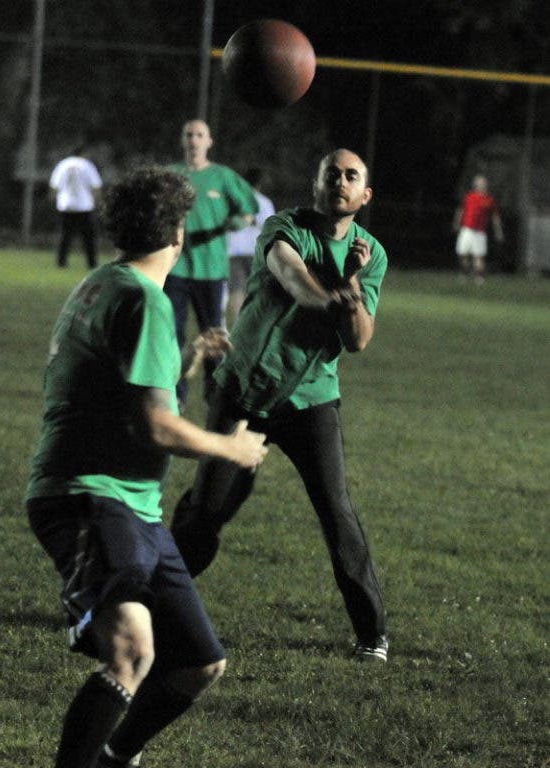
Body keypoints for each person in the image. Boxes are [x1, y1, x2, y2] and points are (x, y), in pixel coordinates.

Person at [25, 165, 268, 768]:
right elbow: (154, 425)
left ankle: (113, 759)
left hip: (130, 505)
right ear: (179, 233)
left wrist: (184, 360)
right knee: (132, 652)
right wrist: (232, 449)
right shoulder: (145, 301)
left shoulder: (104, 282)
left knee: (198, 663)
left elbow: (120, 388)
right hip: (91, 495)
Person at [171, 148, 390, 662]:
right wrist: (333, 292)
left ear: (365, 194)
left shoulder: (371, 254)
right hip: (244, 390)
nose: (340, 181)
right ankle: (152, 599)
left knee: (336, 511)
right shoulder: (284, 227)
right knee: (208, 512)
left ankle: (372, 634)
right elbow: (293, 280)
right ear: (316, 184)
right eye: (331, 173)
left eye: (351, 176)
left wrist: (351, 282)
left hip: (311, 399)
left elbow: (358, 340)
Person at [166, 119, 259, 406]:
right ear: (182, 140)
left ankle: (214, 393)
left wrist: (233, 222)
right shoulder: (171, 175)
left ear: (209, 141)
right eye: (189, 134)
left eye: (199, 135)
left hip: (211, 269)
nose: (194, 140)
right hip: (175, 267)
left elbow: (249, 210)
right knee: (173, 334)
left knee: (213, 335)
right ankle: (176, 394)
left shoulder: (222, 176)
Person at [225, 167, 276, 326]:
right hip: (256, 252)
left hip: (233, 251)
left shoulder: (233, 200)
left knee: (236, 291)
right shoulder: (264, 202)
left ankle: (239, 325)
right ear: (260, 184)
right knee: (257, 291)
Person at [49, 145, 103, 269]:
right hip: (84, 205)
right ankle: (92, 263)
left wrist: (53, 201)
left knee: (65, 236)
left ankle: (61, 262)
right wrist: (97, 201)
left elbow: (54, 186)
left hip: (66, 205)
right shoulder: (87, 165)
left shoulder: (63, 165)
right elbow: (96, 186)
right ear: (83, 153)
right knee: (88, 237)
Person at [453, 173, 504, 284]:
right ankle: (464, 273)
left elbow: (495, 217)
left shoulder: (489, 199)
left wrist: (498, 231)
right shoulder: (469, 197)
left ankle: (479, 277)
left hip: (480, 232)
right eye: (480, 183)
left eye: (484, 183)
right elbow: (461, 210)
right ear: (475, 185)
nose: (482, 185)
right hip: (467, 229)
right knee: (463, 253)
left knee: (479, 256)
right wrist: (457, 223)